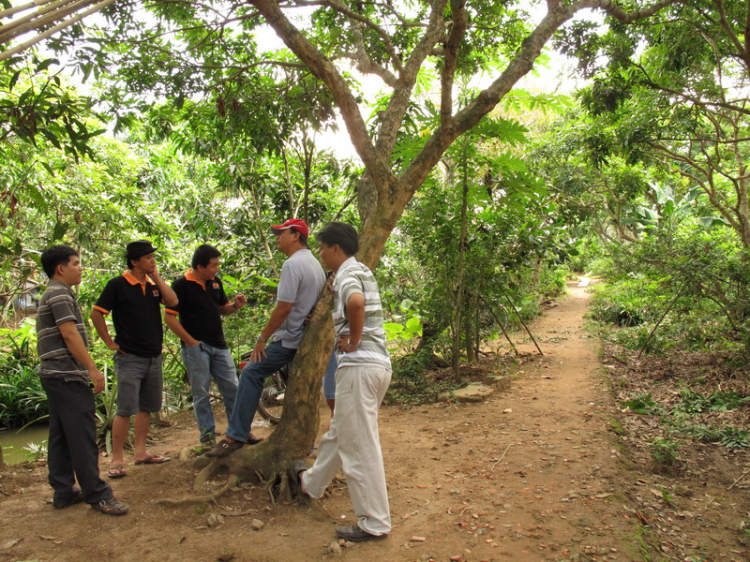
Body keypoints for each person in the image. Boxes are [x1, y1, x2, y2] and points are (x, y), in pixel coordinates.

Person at [293, 222, 392, 542]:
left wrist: (353, 340)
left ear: (336, 249)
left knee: (359, 446)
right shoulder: (360, 270)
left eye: (322, 249)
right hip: (377, 367)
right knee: (342, 433)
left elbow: (356, 304)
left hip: (359, 367)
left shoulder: (349, 275)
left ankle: (374, 522)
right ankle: (311, 483)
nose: (320, 255)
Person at [206, 218, 325, 457]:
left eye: (281, 233)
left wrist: (262, 337)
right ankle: (305, 443)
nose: (277, 237)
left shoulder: (292, 265)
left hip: (290, 338)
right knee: (297, 388)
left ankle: (235, 435)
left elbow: (284, 307)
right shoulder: (314, 263)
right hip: (305, 338)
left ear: (295, 235)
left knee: (251, 371)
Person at [36, 245, 128, 515]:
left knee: (61, 435)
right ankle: (97, 494)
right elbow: (69, 334)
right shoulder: (59, 295)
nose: (81, 267)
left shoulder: (55, 293)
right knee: (82, 434)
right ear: (61, 268)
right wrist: (91, 368)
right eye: (76, 263)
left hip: (54, 374)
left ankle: (63, 491)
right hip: (66, 374)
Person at [90, 240, 178, 478]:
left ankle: (141, 452)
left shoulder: (152, 285)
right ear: (134, 261)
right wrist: (109, 342)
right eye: (148, 258)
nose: (152, 261)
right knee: (125, 409)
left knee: (146, 407)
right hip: (130, 358)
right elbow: (97, 313)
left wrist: (157, 278)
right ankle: (116, 459)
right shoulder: (118, 284)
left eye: (153, 257)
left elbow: (173, 302)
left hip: (153, 357)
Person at [164, 244, 247, 447]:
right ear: (200, 267)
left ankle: (238, 431)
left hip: (219, 345)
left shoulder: (215, 283)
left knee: (233, 388)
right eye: (213, 265)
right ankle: (208, 435)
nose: (216, 269)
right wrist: (191, 342)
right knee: (201, 392)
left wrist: (235, 306)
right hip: (196, 348)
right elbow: (170, 318)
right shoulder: (181, 285)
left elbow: (222, 309)